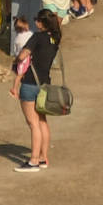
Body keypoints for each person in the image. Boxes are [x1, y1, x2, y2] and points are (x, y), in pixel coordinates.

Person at [12, 11, 62, 171]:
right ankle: (43, 157)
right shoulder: (55, 39)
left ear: (41, 23)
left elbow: (22, 55)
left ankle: (33, 160)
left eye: (36, 20)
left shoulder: (37, 37)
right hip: (45, 84)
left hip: (30, 83)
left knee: (33, 123)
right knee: (42, 121)